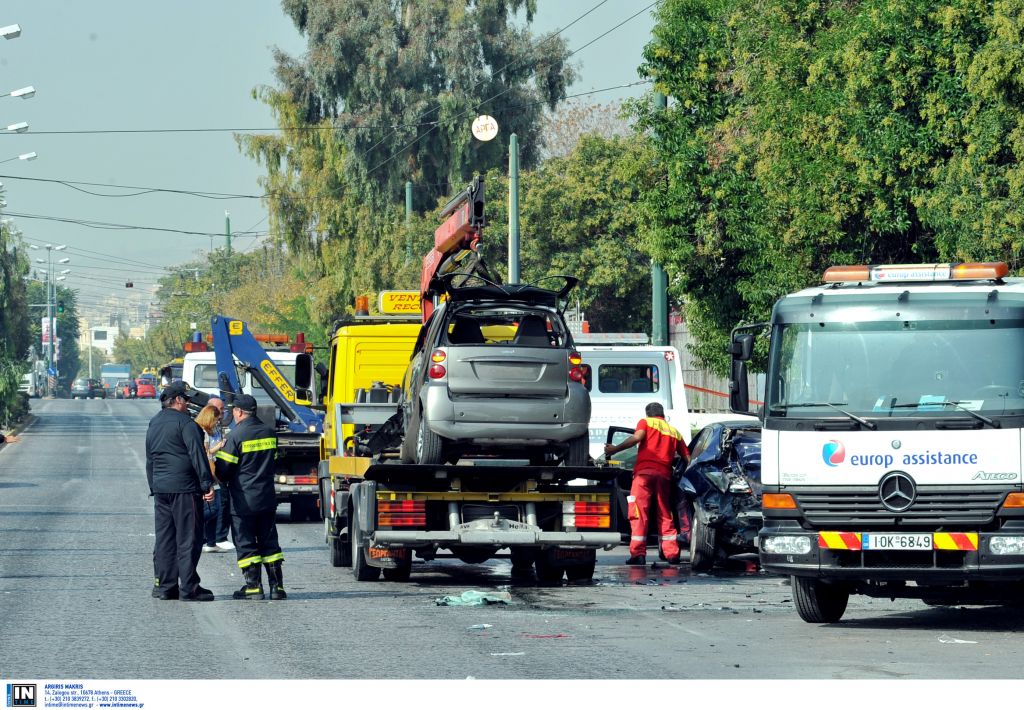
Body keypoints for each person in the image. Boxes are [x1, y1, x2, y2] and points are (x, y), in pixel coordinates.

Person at [145, 381, 216, 601]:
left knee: (165, 538)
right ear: (177, 401)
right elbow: (198, 456)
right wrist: (207, 485)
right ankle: (189, 588)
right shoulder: (186, 424)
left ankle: (165, 587)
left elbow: (150, 459)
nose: (188, 405)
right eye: (186, 400)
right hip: (185, 489)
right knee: (189, 538)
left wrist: (154, 486)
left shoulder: (154, 423)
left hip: (161, 489)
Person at [215, 394, 286, 601]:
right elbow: (273, 460)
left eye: (233, 411)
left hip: (243, 500)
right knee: (270, 542)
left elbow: (224, 470)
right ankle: (277, 588)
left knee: (245, 542)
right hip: (267, 497)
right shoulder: (270, 433)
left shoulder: (236, 435)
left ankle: (253, 587)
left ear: (238, 412)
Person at [604, 402, 690, 566]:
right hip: (664, 477)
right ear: (663, 415)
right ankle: (672, 554)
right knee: (665, 514)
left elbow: (637, 437)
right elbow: (687, 458)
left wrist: (614, 450)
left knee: (638, 513)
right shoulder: (675, 432)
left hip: (644, 475)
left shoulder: (646, 422)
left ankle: (638, 554)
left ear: (648, 413)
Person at [196, 404, 227, 554]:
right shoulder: (202, 431)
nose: (217, 422)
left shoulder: (210, 430)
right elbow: (206, 453)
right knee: (213, 508)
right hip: (209, 472)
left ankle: (211, 541)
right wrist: (221, 445)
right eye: (216, 419)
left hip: (213, 470)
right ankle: (194, 528)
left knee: (215, 507)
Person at [207, 396, 235, 551]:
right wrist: (219, 446)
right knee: (219, 504)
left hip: (219, 468)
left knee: (221, 504)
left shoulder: (216, 426)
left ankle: (214, 539)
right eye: (221, 409)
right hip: (213, 471)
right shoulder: (205, 428)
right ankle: (218, 538)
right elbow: (207, 451)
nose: (223, 412)